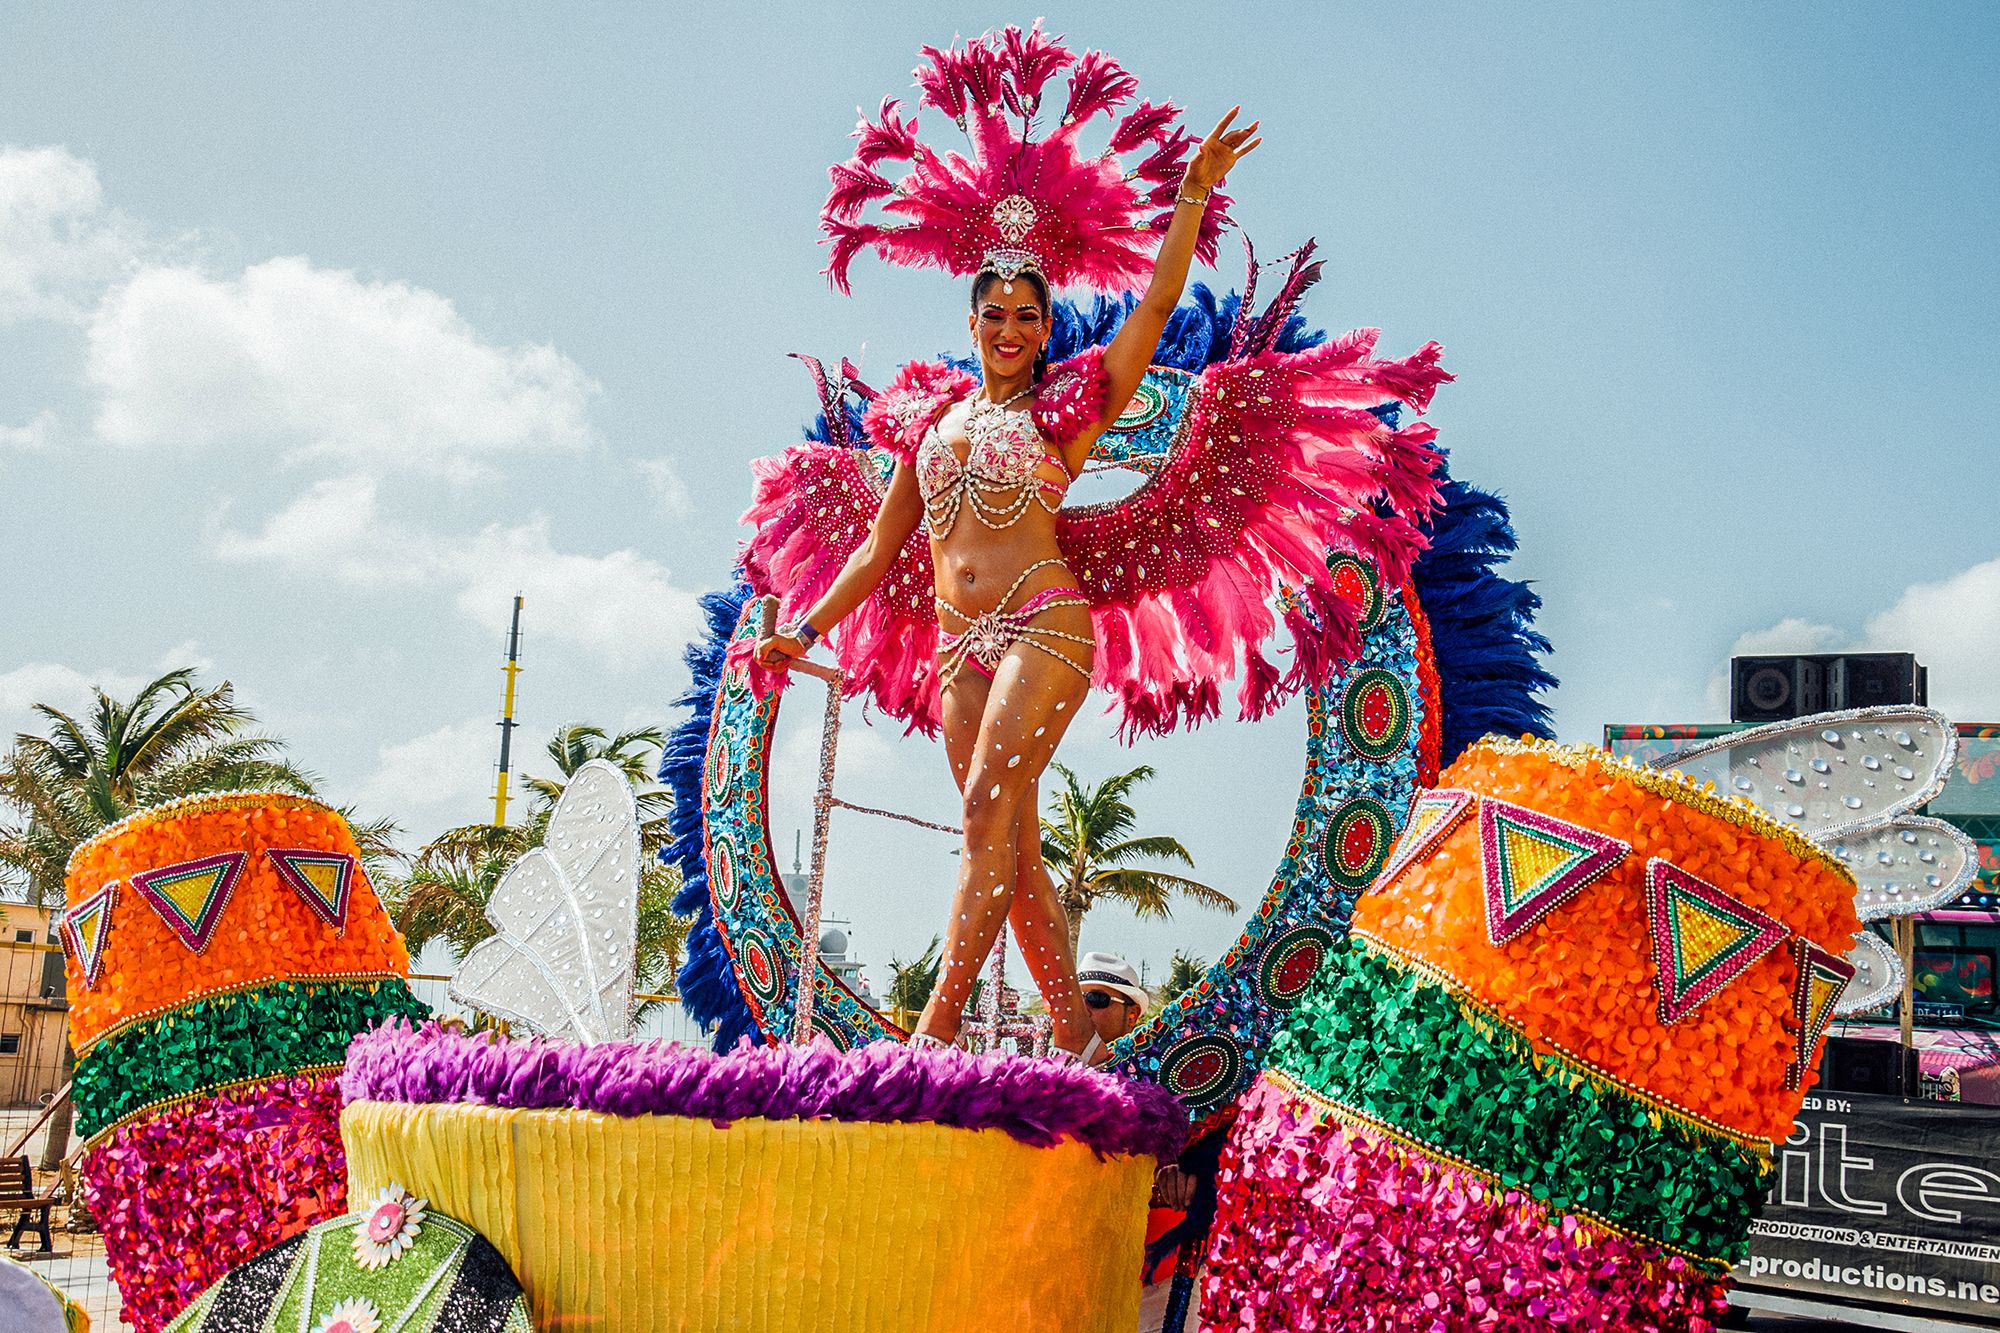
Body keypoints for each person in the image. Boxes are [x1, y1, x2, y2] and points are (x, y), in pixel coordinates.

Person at [756, 98, 1259, 1065]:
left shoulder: (1069, 410)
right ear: (972, 319)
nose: (1013, 330)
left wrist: (1190, 198)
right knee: (1014, 843)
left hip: (1043, 621)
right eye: (996, 314)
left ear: (1044, 328)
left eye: (1031, 316)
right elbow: (874, 552)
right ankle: (1074, 1041)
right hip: (960, 648)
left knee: (987, 802)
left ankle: (930, 1037)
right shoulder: (928, 425)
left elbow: (1154, 310)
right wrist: (805, 630)